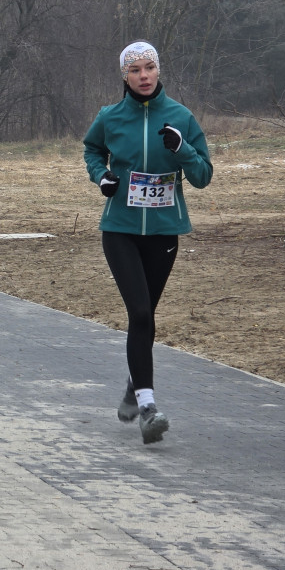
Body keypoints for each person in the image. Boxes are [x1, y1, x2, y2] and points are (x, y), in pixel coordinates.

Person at [83, 41, 213, 445]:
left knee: (146, 319)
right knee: (139, 313)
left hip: (163, 232)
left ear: (159, 71)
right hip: (120, 229)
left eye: (149, 67)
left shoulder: (180, 117)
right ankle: (149, 408)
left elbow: (204, 175)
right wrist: (101, 177)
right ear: (124, 76)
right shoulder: (110, 117)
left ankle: (134, 385)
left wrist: (182, 148)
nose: (143, 75)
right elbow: (92, 150)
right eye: (135, 69)